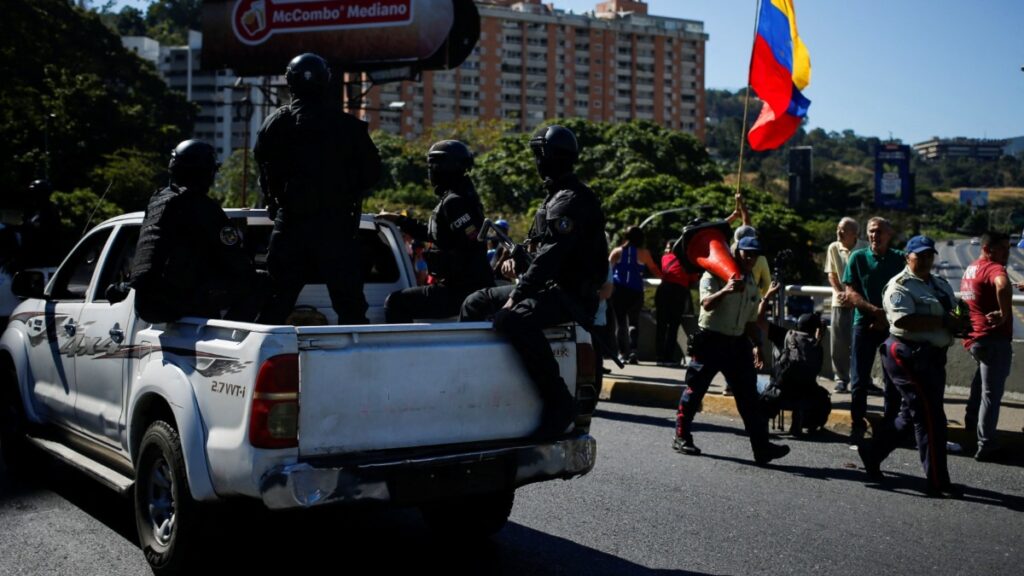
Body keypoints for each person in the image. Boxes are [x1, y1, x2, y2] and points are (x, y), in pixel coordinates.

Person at [460, 125, 609, 436]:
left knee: (514, 319)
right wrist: (517, 259)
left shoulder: (570, 200)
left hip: (570, 295)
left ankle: (558, 402)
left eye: (537, 155)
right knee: (475, 303)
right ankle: (469, 384)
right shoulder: (553, 198)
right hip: (549, 288)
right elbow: (536, 249)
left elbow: (552, 256)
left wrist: (519, 293)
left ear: (546, 157)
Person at [254, 52, 381, 325]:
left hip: (290, 226)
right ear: (326, 82)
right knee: (350, 310)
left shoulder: (274, 124)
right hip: (335, 227)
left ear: (290, 82)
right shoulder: (349, 128)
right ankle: (356, 363)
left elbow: (264, 173)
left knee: (274, 304)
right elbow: (372, 174)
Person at [858, 236, 965, 497]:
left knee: (910, 415)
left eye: (930, 255)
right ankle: (938, 481)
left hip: (933, 357)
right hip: (905, 354)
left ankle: (872, 453)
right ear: (908, 258)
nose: (926, 260)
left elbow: (955, 312)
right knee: (931, 417)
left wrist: (962, 321)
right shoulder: (899, 286)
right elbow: (905, 320)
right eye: (920, 256)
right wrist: (944, 322)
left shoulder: (939, 284)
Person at [672, 236, 790, 465]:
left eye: (755, 254)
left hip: (737, 344)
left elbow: (749, 321)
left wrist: (757, 346)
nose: (751, 258)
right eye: (747, 253)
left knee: (749, 398)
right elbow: (706, 304)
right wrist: (726, 289)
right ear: (736, 252)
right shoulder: (713, 274)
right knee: (694, 391)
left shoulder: (751, 283)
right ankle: (681, 436)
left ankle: (761, 448)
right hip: (711, 341)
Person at [129, 140, 260, 324]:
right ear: (205, 173)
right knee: (258, 283)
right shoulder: (202, 208)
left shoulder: (158, 201)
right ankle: (230, 337)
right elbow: (237, 262)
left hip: (147, 304)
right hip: (178, 300)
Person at [380, 140, 494, 323]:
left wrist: (444, 261)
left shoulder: (454, 202)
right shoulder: (458, 197)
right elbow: (435, 233)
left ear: (444, 168)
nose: (430, 171)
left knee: (396, 303)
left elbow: (471, 247)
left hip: (463, 290)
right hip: (463, 287)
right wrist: (400, 220)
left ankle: (404, 352)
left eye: (432, 165)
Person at [842, 216, 905, 444]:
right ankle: (857, 424)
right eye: (870, 231)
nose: (874, 236)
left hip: (892, 326)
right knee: (859, 379)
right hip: (864, 324)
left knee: (893, 379)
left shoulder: (900, 259)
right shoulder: (858, 258)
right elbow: (850, 291)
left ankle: (890, 426)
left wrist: (886, 317)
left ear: (889, 234)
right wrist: (873, 311)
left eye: (879, 231)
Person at [960, 230, 1013, 462]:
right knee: (991, 394)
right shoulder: (995, 268)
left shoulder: (972, 268)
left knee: (981, 384)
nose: (1007, 253)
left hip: (975, 338)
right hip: (993, 339)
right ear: (987, 249)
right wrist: (1004, 314)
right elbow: (1001, 285)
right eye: (1002, 249)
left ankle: (971, 420)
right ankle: (987, 444)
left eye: (1008, 249)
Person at [825, 217, 866, 392]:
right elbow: (831, 274)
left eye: (843, 230)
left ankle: (863, 378)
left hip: (860, 303)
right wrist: (840, 292)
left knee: (862, 343)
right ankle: (841, 378)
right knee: (839, 343)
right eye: (838, 229)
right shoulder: (834, 248)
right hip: (840, 302)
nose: (839, 233)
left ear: (854, 234)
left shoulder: (864, 248)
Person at [610, 226, 661, 364]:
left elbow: (608, 269)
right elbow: (655, 269)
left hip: (619, 290)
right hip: (636, 291)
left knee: (620, 323)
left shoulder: (617, 251)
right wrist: (666, 277)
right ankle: (633, 351)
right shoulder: (644, 253)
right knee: (633, 322)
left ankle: (621, 353)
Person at [655, 240, 699, 366]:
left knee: (661, 325)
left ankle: (659, 357)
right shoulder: (689, 261)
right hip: (679, 293)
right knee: (673, 326)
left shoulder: (665, 257)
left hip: (663, 290)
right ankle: (668, 358)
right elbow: (694, 280)